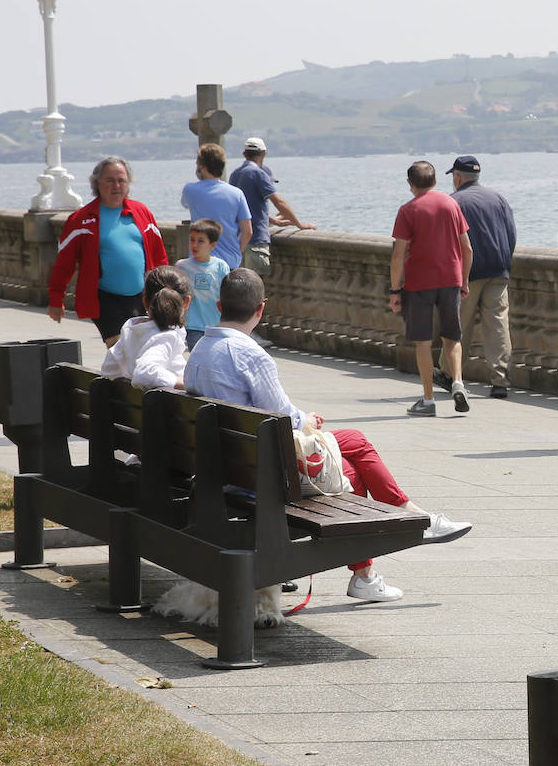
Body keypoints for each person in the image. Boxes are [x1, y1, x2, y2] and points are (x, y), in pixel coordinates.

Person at [186, 268, 472, 603]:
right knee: (354, 470)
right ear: (261, 309)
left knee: (354, 441)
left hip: (226, 468)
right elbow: (283, 421)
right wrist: (305, 418)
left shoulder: (200, 349)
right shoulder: (250, 354)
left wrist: (302, 418)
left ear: (219, 305)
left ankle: (388, 547)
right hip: (261, 479)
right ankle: (406, 528)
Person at [47, 157, 169, 347]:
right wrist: (56, 298)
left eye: (121, 181)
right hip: (105, 298)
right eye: (110, 180)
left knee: (144, 350)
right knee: (119, 348)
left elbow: (160, 257)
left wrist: (166, 292)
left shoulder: (142, 212)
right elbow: (64, 264)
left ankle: (117, 377)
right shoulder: (80, 220)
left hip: (142, 297)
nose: (116, 186)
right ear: (97, 183)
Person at [389, 160, 473, 417]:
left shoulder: (408, 210)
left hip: (419, 284)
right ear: (435, 181)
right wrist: (464, 280)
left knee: (423, 343)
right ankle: (457, 381)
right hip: (450, 280)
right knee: (452, 337)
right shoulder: (451, 204)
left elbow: (398, 254)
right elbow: (467, 248)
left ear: (409, 184)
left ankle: (428, 400)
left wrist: (395, 290)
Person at [435, 154, 516, 399]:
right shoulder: (498, 198)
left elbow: (445, 242)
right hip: (499, 269)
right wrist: (505, 262)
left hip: (468, 273)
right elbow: (511, 233)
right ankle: (500, 380)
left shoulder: (453, 202)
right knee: (498, 324)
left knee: (459, 324)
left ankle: (449, 373)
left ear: (457, 177)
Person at [229, 136, 316, 275]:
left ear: (244, 154)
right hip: (255, 240)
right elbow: (279, 202)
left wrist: (271, 219)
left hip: (238, 241)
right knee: (256, 288)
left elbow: (243, 208)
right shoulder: (259, 173)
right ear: (264, 153)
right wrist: (300, 224)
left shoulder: (235, 175)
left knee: (240, 288)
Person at [100, 265, 190, 390]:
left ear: (145, 302)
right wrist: (185, 383)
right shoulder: (166, 336)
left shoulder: (131, 331)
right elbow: (145, 373)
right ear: (186, 303)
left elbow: (109, 369)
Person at [180, 143, 252, 271]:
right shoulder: (237, 194)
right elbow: (247, 232)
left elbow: (185, 204)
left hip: (200, 262)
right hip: (230, 263)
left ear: (202, 166)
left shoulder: (190, 190)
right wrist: (236, 252)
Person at [175, 218, 229, 351]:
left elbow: (226, 296)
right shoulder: (182, 266)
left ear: (212, 245)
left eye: (200, 241)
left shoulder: (220, 266)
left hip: (215, 325)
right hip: (192, 326)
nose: (195, 245)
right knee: (198, 359)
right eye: (192, 240)